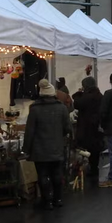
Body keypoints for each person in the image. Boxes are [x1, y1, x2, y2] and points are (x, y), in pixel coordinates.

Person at [24, 80, 72, 209]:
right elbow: (68, 128)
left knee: (43, 175)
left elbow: (30, 131)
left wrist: (26, 149)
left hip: (39, 148)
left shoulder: (34, 109)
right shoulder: (61, 108)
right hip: (57, 147)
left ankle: (47, 201)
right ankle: (58, 199)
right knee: (57, 174)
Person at [72, 77, 105, 184]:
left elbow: (77, 104)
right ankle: (94, 168)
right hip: (96, 127)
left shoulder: (87, 96)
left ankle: (88, 169)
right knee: (95, 149)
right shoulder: (100, 95)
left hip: (86, 127)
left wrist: (77, 94)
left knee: (86, 149)